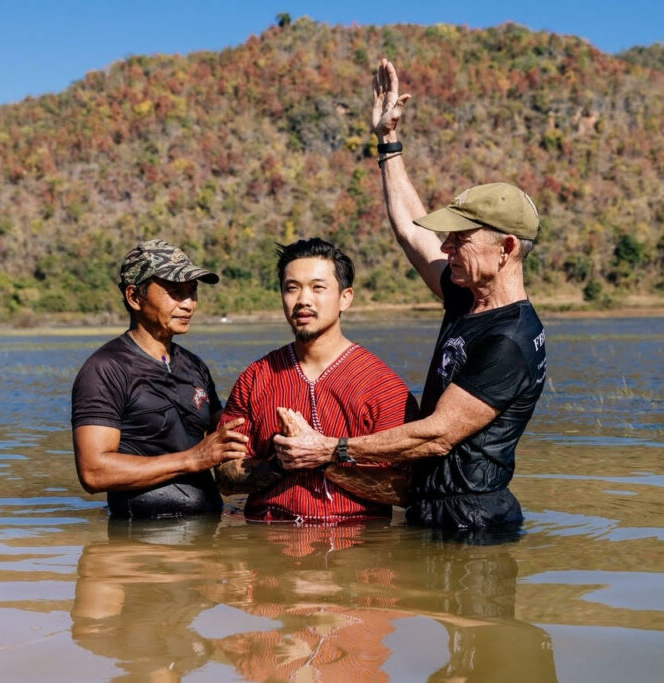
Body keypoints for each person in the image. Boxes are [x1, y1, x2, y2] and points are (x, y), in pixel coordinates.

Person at [273, 59, 547, 534]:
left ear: (504, 249)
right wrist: (388, 143)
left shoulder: (510, 340)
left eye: (460, 239)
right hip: (438, 510)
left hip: (472, 517)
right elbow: (410, 231)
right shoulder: (467, 296)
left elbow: (437, 435)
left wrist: (331, 449)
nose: (445, 248)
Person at [215, 238, 418, 523]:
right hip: (270, 552)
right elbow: (225, 478)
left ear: (345, 298)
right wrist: (281, 463)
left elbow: (408, 491)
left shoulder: (383, 387)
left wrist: (324, 458)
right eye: (291, 288)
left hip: (355, 555)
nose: (303, 300)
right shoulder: (255, 378)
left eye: (318, 287)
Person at [71, 239, 248, 519]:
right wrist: (192, 460)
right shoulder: (106, 369)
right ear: (135, 297)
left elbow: (228, 433)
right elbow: (94, 472)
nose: (189, 304)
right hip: (142, 544)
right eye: (175, 292)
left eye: (193, 292)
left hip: (205, 538)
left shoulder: (194, 365)